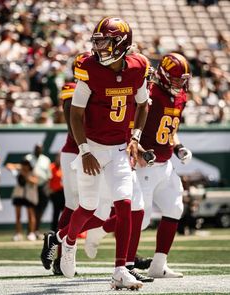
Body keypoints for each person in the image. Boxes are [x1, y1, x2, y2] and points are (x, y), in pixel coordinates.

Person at [41, 16, 149, 290]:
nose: (99, 48)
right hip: (93, 147)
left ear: (122, 43)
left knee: (124, 204)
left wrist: (135, 137)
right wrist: (85, 150)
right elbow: (76, 114)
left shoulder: (138, 67)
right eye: (98, 42)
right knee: (88, 206)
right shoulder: (89, 68)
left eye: (105, 42)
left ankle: (120, 270)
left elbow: (143, 104)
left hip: (120, 149)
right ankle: (68, 240)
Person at [135, 52, 192, 278]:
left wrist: (179, 147)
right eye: (177, 79)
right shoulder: (150, 93)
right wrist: (137, 150)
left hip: (165, 162)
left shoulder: (180, 97)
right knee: (140, 220)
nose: (181, 84)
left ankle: (158, 265)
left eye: (183, 79)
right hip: (145, 164)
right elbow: (133, 125)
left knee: (175, 207)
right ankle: (95, 231)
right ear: (165, 75)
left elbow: (171, 129)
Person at [6, 158, 38, 241]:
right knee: (18, 215)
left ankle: (31, 233)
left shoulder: (33, 171)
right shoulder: (20, 169)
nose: (25, 166)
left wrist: (25, 175)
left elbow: (35, 181)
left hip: (29, 195)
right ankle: (18, 234)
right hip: (19, 194)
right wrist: (18, 168)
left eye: (26, 164)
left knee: (31, 215)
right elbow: (8, 165)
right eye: (24, 164)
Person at [25, 144, 51, 239]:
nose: (38, 150)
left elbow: (48, 175)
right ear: (34, 149)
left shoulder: (46, 159)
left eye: (40, 149)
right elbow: (24, 171)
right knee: (32, 209)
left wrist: (47, 187)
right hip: (31, 186)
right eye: (37, 148)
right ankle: (30, 230)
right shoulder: (28, 158)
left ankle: (36, 230)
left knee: (41, 209)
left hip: (42, 186)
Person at [48, 153, 65, 232]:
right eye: (58, 157)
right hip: (55, 193)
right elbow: (48, 179)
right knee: (56, 212)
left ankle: (63, 229)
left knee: (65, 212)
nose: (59, 159)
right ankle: (54, 230)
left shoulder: (64, 167)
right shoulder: (51, 167)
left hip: (63, 193)